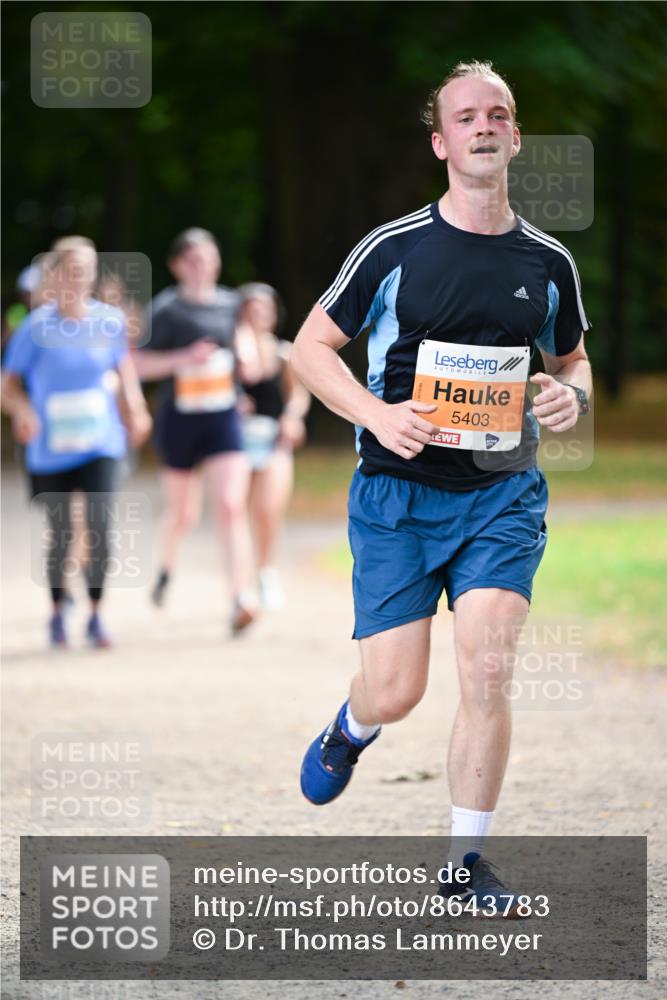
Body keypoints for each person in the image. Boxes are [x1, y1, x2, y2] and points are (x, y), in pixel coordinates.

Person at [293, 61, 592, 913]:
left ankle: (465, 863)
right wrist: (378, 416)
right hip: (396, 495)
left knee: (487, 667)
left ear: (516, 136)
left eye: (498, 113)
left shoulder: (547, 260)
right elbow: (309, 350)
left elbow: (572, 359)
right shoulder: (392, 248)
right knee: (396, 689)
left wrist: (571, 395)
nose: (484, 125)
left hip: (502, 493)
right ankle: (351, 729)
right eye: (466, 116)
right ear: (441, 141)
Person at [1, 236, 152, 648]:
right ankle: (55, 613)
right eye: (70, 269)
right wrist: (24, 411)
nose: (78, 277)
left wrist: (135, 409)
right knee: (63, 531)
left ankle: (96, 615)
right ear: (55, 275)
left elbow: (123, 370)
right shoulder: (35, 328)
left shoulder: (110, 321)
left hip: (100, 441)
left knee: (100, 524)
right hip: (50, 449)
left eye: (85, 270)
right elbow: (7, 386)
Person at [132, 228, 259, 634]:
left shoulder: (231, 304)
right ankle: (166, 568)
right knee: (184, 513)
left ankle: (241, 597)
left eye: (207, 256)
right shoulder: (166, 310)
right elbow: (136, 364)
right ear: (177, 265)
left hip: (223, 418)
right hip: (180, 420)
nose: (201, 265)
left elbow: (249, 360)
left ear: (217, 261)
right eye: (192, 258)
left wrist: (242, 369)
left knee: (229, 505)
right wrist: (185, 358)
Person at [238, 283, 310, 609]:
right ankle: (240, 580)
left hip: (272, 440)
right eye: (252, 309)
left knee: (267, 510)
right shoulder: (231, 353)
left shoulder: (284, 353)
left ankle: (265, 572)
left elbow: (298, 393)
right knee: (236, 511)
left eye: (264, 309)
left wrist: (292, 418)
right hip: (236, 442)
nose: (259, 315)